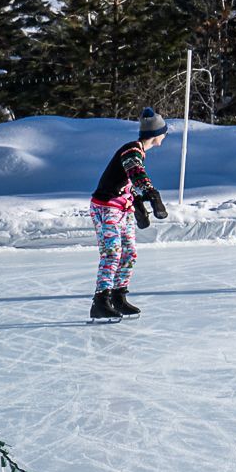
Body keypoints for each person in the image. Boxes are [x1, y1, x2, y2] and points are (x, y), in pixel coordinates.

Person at [84, 110, 168, 321]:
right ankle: (101, 301)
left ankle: (118, 296)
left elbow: (127, 182)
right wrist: (151, 193)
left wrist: (138, 204)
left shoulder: (138, 152)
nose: (165, 135)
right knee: (112, 253)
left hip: (123, 209)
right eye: (164, 131)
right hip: (106, 207)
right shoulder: (131, 150)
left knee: (129, 253)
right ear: (156, 133)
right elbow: (135, 171)